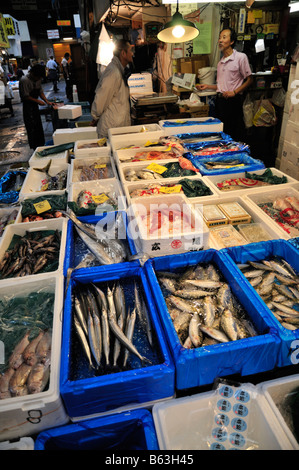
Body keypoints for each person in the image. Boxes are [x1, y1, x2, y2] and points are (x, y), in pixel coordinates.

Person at [196, 27, 253, 142]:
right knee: (222, 132)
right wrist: (207, 87)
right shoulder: (220, 62)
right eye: (219, 38)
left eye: (224, 37)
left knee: (234, 133)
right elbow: (221, 86)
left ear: (231, 42)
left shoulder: (240, 58)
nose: (220, 40)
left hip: (233, 101)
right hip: (221, 101)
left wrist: (234, 92)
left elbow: (250, 80)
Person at [91, 39, 134, 139]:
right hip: (111, 130)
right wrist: (95, 116)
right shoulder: (113, 72)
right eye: (130, 51)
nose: (132, 54)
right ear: (123, 53)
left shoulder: (119, 70)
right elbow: (101, 97)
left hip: (117, 127)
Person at [19, 64, 55, 149]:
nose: (39, 79)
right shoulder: (24, 80)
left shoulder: (38, 79)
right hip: (28, 107)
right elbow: (25, 96)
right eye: (38, 77)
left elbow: (40, 91)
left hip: (35, 107)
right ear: (32, 73)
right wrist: (38, 101)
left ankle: (41, 146)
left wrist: (47, 101)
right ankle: (35, 148)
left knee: (38, 127)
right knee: (32, 129)